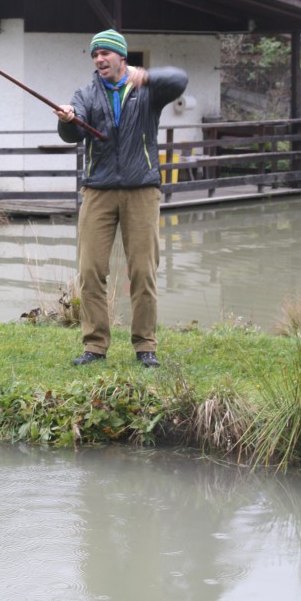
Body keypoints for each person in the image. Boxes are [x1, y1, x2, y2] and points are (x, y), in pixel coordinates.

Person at [55, 29, 188, 368]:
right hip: (97, 191)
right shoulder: (85, 94)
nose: (99, 59)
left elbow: (179, 80)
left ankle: (146, 346)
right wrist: (68, 119)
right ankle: (95, 346)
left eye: (105, 53)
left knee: (143, 271)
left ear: (121, 57)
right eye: (94, 55)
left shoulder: (148, 91)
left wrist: (148, 76)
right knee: (90, 270)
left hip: (141, 189)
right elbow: (73, 133)